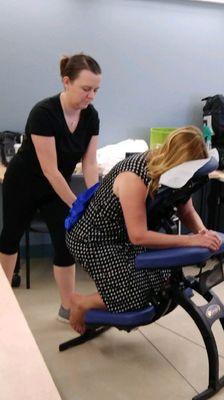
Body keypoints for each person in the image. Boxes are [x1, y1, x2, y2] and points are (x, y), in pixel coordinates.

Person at [65, 126, 222, 334]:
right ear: (176, 162)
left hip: (124, 235)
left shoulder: (178, 174)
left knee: (163, 283)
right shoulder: (134, 177)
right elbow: (138, 236)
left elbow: (187, 210)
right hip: (94, 238)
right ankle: (81, 303)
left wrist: (202, 232)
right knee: (134, 297)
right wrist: (190, 240)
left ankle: (107, 295)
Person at [0, 53, 102, 322]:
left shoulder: (91, 117)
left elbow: (90, 164)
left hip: (55, 188)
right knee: (10, 239)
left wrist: (94, 197)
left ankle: (68, 308)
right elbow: (49, 169)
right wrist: (78, 204)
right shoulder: (44, 113)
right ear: (66, 82)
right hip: (23, 184)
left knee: (65, 242)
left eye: (95, 90)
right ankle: (3, 305)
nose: (91, 96)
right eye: (86, 89)